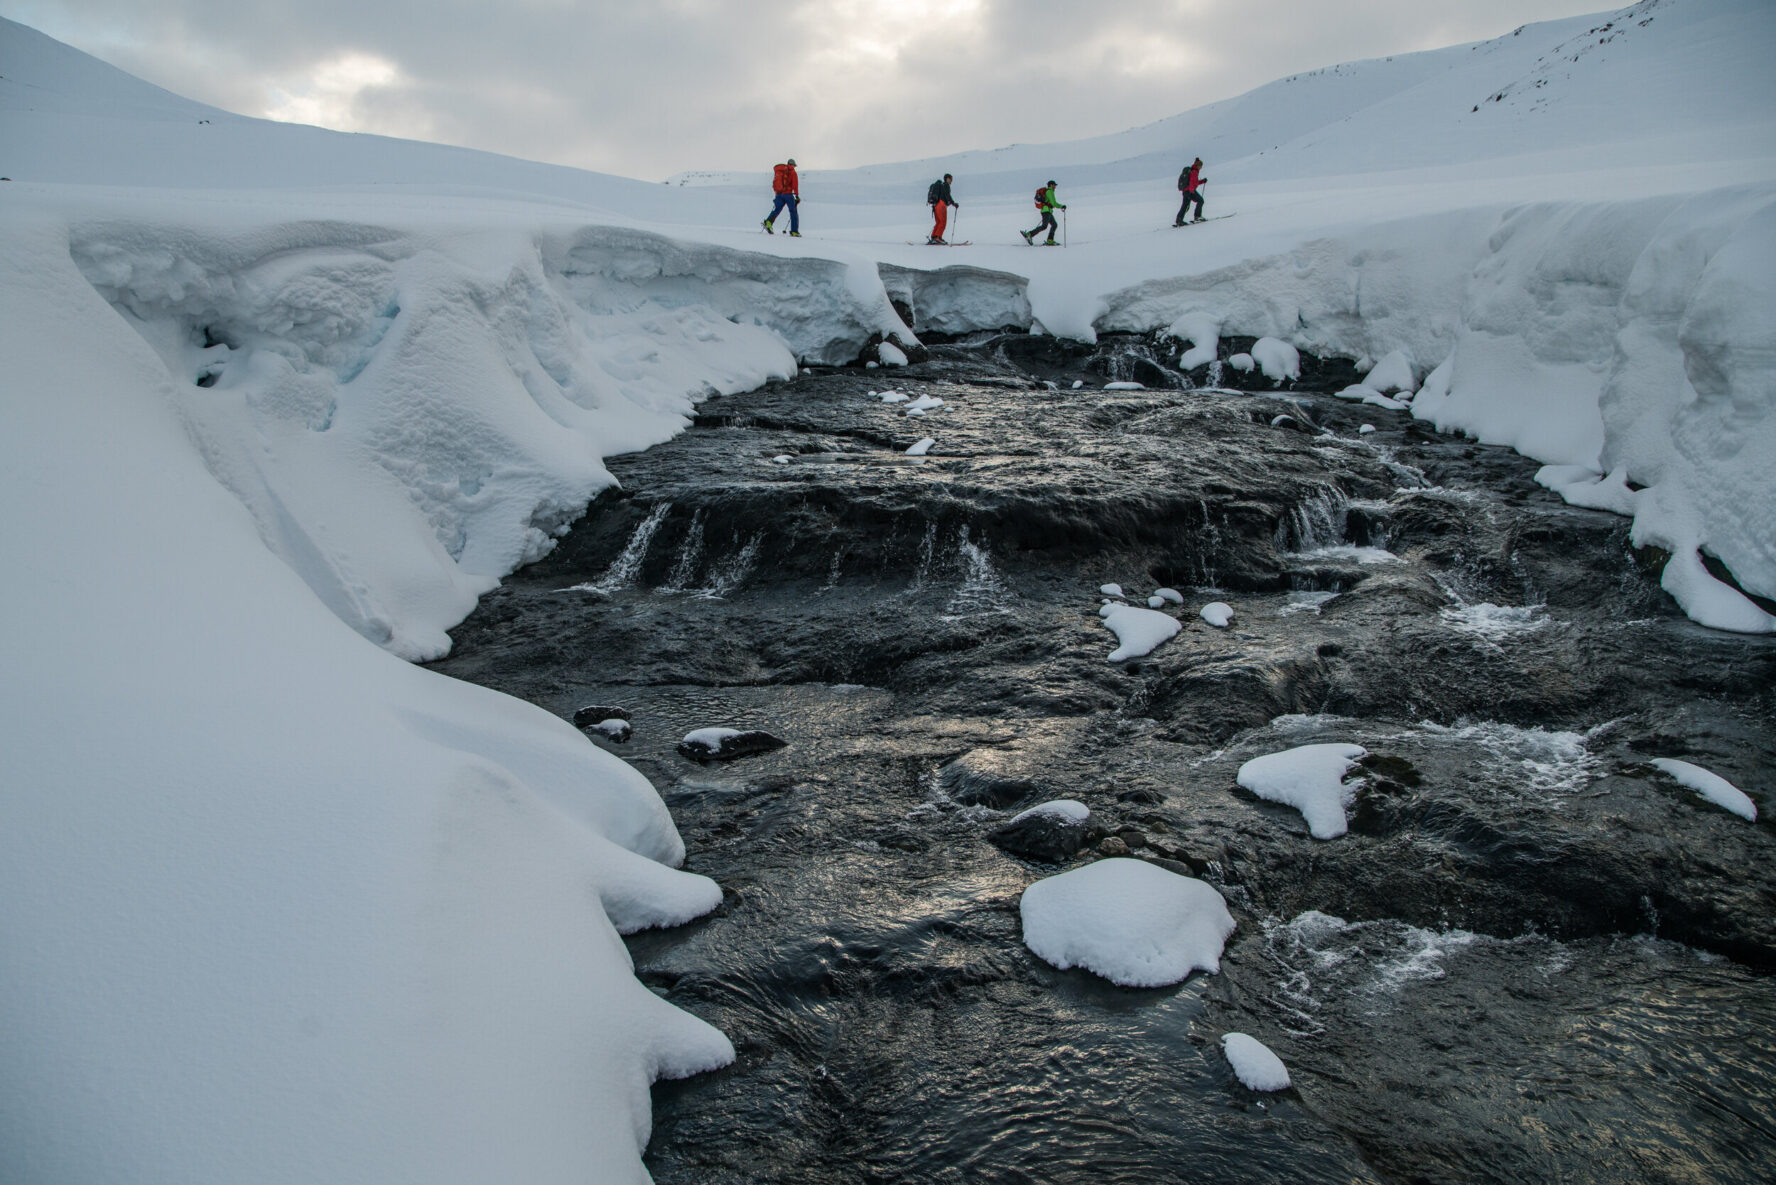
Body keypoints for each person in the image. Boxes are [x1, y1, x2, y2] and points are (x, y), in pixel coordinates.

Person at [763, 158, 801, 236]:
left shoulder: (781, 171)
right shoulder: (793, 172)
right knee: (793, 212)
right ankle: (794, 231)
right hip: (788, 194)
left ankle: (768, 222)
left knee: (777, 209)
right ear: (793, 165)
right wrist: (796, 196)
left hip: (779, 194)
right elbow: (795, 185)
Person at [1022, 180, 1065, 245]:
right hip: (1046, 211)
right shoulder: (1050, 192)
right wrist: (1062, 206)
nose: (1055, 186)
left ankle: (1050, 240)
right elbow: (1054, 203)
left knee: (1054, 225)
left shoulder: (1049, 191)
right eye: (1054, 185)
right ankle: (1029, 234)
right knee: (1044, 226)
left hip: (1048, 211)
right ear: (1051, 185)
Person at [926, 174, 959, 244]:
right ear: (947, 179)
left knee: (938, 222)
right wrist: (953, 203)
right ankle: (938, 237)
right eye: (951, 179)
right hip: (941, 205)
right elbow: (947, 195)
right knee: (942, 222)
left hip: (936, 205)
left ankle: (934, 237)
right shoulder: (946, 185)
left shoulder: (941, 186)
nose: (951, 181)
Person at [1175, 157, 1206, 225]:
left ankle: (1179, 220)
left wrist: (1202, 181)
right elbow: (1192, 182)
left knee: (1185, 205)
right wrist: (1192, 191)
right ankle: (1197, 216)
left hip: (1185, 190)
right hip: (1190, 191)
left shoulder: (1192, 170)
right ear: (1198, 165)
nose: (1201, 167)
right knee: (1201, 200)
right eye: (1200, 166)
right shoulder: (1194, 171)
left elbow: (1195, 182)